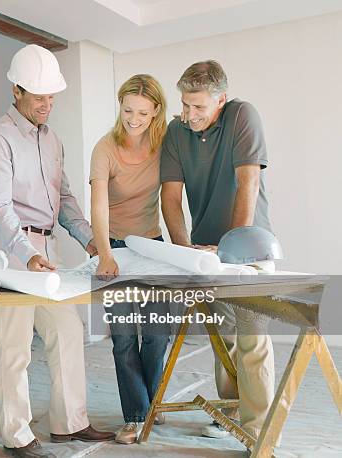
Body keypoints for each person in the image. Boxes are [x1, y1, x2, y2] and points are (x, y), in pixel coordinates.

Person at [0, 44, 115, 458]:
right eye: (39, 96)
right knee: (13, 345)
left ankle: (69, 424)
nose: (47, 104)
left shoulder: (52, 139)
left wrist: (90, 238)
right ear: (17, 91)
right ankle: (16, 435)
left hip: (46, 248)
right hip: (8, 250)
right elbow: (1, 208)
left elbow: (66, 197)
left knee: (68, 329)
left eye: (51, 96)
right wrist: (26, 252)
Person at [160, 60, 275, 441]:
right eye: (185, 105)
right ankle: (231, 413)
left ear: (220, 100)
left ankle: (259, 434)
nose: (189, 115)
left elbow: (249, 182)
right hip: (204, 248)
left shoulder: (243, 115)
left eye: (199, 107)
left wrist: (231, 248)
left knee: (252, 338)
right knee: (223, 337)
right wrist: (182, 253)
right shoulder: (177, 131)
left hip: (249, 249)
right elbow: (171, 199)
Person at [89, 74, 170, 444]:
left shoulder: (165, 145)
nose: (133, 119)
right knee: (123, 338)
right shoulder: (104, 148)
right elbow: (99, 205)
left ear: (156, 111)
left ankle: (151, 407)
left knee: (156, 335)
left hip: (153, 245)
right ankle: (135, 416)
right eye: (127, 111)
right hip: (116, 247)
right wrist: (105, 252)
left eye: (142, 112)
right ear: (119, 108)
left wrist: (180, 248)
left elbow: (172, 197)